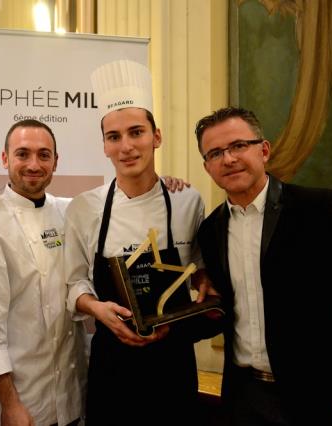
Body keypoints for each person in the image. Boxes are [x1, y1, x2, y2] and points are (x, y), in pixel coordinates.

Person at [64, 59, 222, 425]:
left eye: (136, 132)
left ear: (157, 137)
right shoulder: (84, 208)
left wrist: (203, 288)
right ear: (104, 146)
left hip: (174, 358)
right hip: (112, 357)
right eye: (114, 137)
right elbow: (74, 283)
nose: (127, 147)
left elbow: (199, 269)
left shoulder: (187, 200)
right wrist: (98, 310)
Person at [195, 106, 332, 426]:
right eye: (215, 153)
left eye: (238, 146)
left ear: (263, 150)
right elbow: (227, 310)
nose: (229, 159)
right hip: (244, 396)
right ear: (207, 166)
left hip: (317, 395)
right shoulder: (210, 231)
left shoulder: (317, 209)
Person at [0, 119, 87, 426]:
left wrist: (162, 183)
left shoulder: (70, 212)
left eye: (44, 155)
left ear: (56, 162)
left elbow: (121, 201)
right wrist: (10, 404)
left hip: (71, 398)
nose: (34, 164)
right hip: (21, 405)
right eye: (22, 154)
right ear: (5, 159)